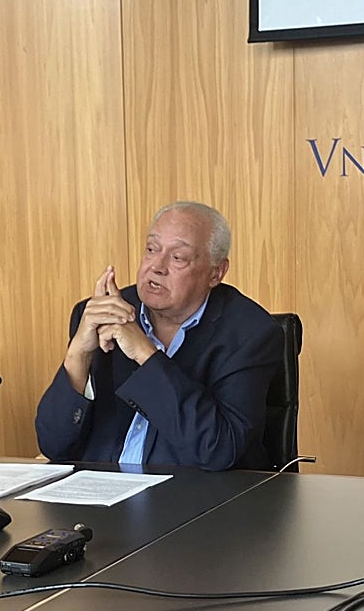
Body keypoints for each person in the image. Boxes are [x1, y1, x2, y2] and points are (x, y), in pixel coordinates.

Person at [35, 201, 281, 471]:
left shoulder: (249, 334)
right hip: (101, 500)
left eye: (178, 258)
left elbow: (218, 449)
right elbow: (53, 446)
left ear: (215, 273)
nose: (156, 266)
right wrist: (78, 354)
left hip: (193, 503)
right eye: (151, 250)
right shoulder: (101, 315)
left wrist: (145, 354)